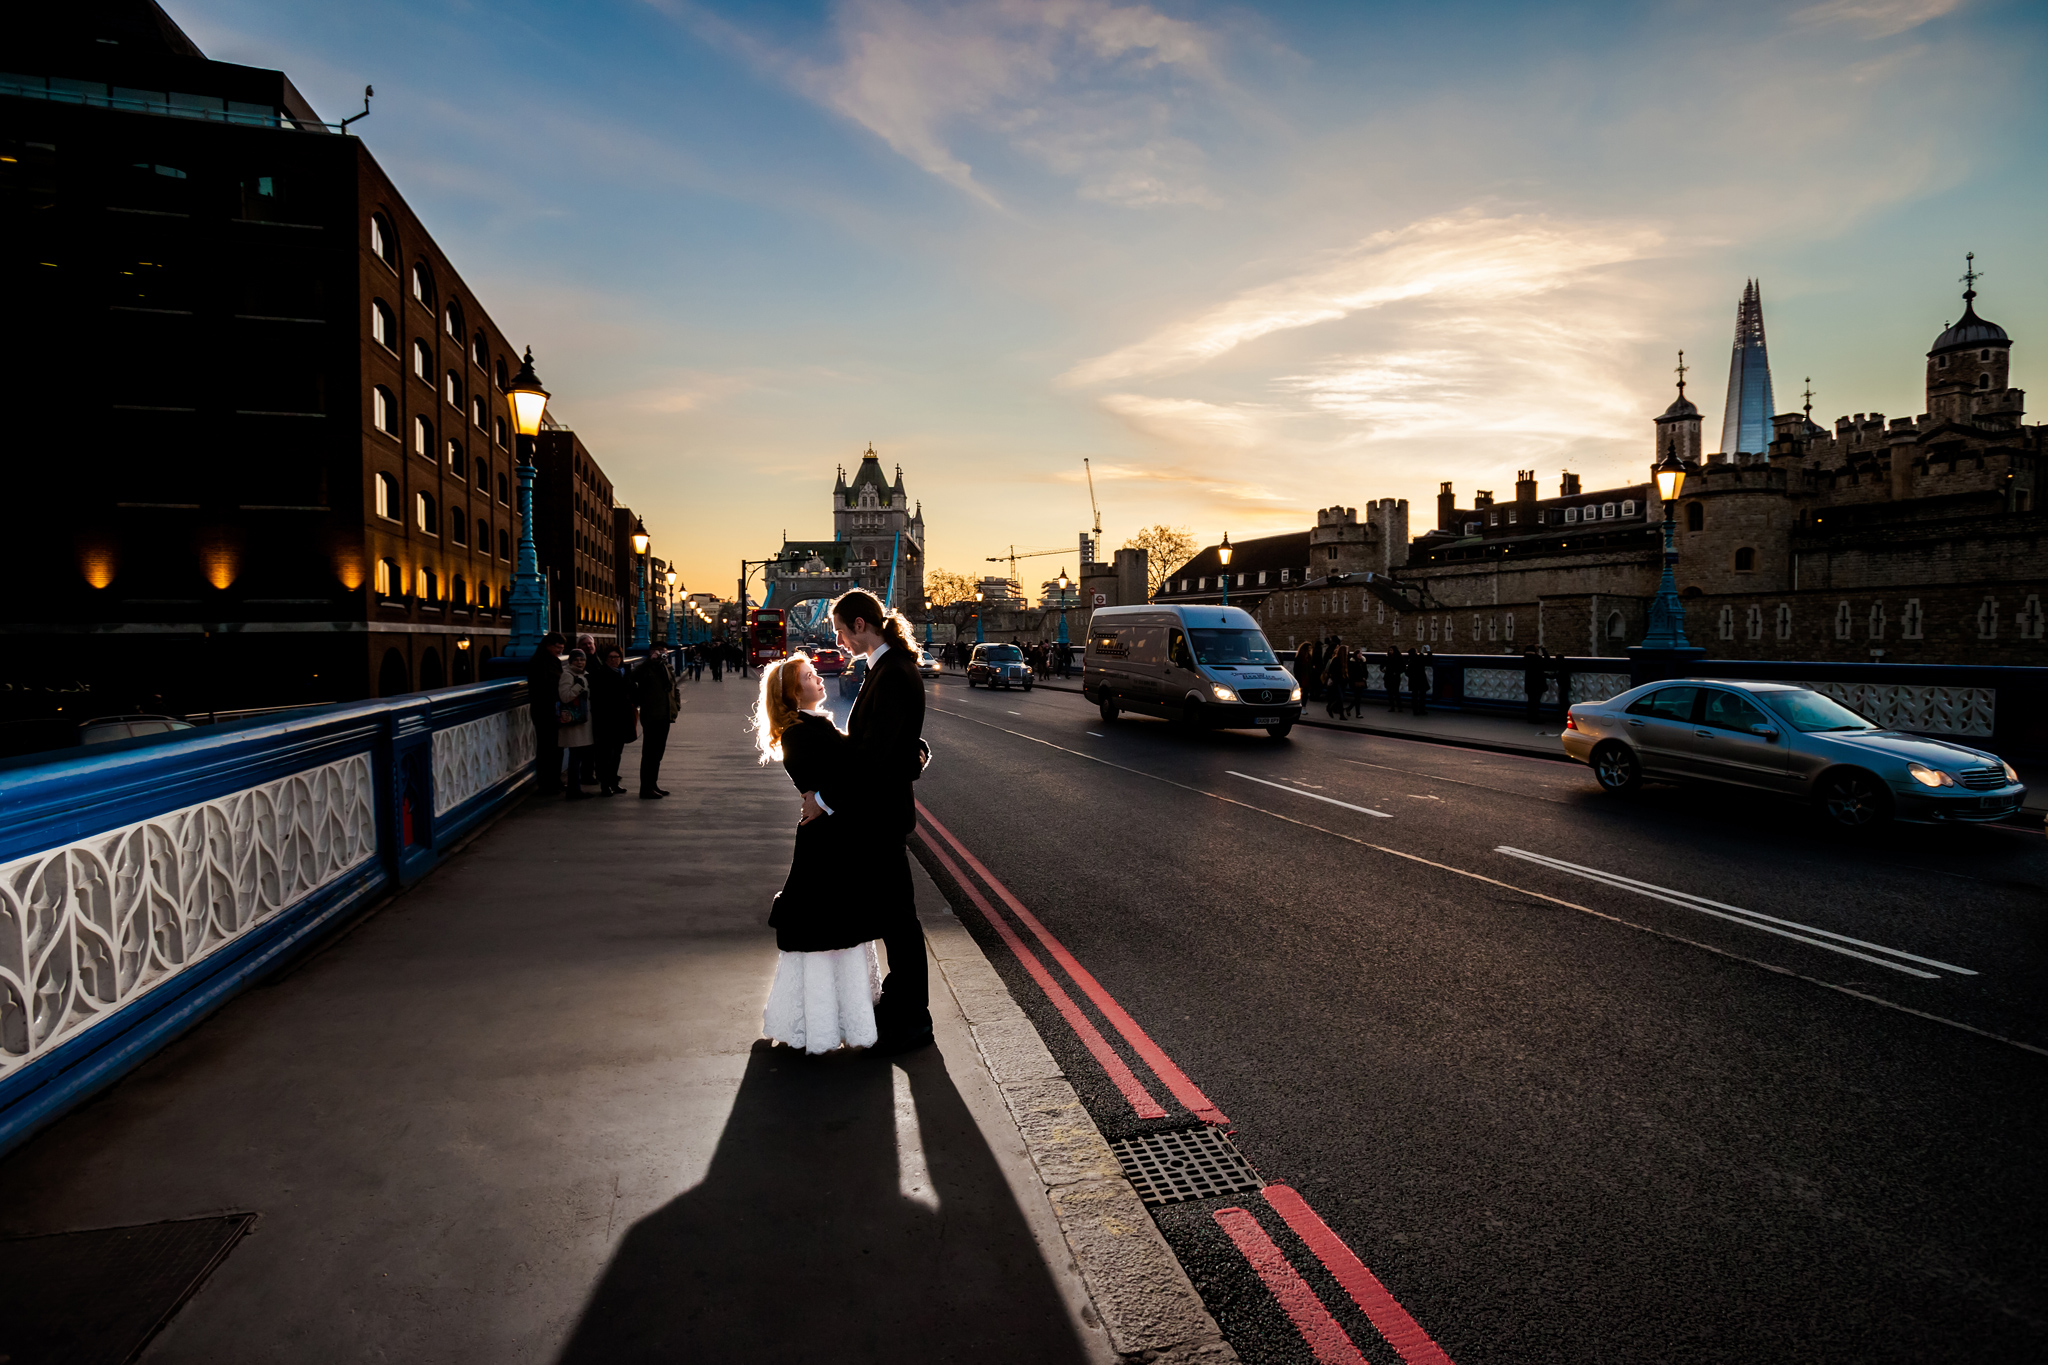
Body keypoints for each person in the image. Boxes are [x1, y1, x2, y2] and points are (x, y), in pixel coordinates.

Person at [802, 589, 930, 1054]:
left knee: (899, 921)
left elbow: (874, 754)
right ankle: (901, 1006)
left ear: (860, 624)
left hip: (880, 816)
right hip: (879, 812)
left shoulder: (892, 672)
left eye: (839, 629)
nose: (838, 639)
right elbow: (894, 743)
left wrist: (824, 799)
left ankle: (913, 1021)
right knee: (893, 917)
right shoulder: (885, 667)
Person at [752, 655, 885, 1054]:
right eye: (809, 676)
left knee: (836, 929)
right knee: (828, 931)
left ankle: (836, 1020)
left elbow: (854, 762)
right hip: (825, 845)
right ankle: (822, 1025)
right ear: (793, 693)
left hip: (832, 838)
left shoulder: (815, 725)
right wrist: (825, 798)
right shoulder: (798, 733)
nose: (818, 678)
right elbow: (850, 772)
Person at [589, 645, 636, 796]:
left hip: (622, 720)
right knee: (605, 755)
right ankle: (605, 784)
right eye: (611, 658)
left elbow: (633, 692)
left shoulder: (624, 673)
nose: (614, 660)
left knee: (617, 754)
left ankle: (613, 782)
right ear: (606, 659)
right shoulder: (600, 674)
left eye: (617, 657)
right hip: (607, 721)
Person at [634, 642, 678, 799]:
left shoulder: (666, 667)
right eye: (658, 652)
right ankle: (645, 788)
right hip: (652, 715)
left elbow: (674, 687)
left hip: (665, 715)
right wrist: (649, 661)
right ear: (651, 652)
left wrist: (676, 706)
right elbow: (635, 677)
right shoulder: (646, 668)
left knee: (658, 754)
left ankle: (653, 785)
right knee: (649, 754)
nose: (661, 655)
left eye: (664, 652)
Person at [526, 632, 567, 794]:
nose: (560, 651)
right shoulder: (537, 662)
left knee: (557, 747)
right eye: (558, 647)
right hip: (544, 711)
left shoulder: (554, 661)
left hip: (554, 711)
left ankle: (554, 780)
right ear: (548, 645)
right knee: (546, 748)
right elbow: (543, 687)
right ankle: (546, 783)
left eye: (562, 648)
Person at [558, 648, 595, 800]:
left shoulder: (584, 675)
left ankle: (575, 788)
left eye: (582, 660)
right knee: (575, 757)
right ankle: (573, 790)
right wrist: (578, 687)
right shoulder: (567, 675)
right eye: (576, 659)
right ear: (571, 660)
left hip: (583, 721)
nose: (579, 662)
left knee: (578, 757)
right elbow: (564, 696)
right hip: (574, 722)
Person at [1323, 645, 1350, 720]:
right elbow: (1331, 671)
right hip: (1337, 682)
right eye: (1347, 651)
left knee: (1340, 698)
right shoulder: (1336, 660)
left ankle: (1340, 714)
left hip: (1343, 681)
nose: (1348, 652)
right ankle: (1330, 707)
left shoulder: (1346, 660)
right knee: (1340, 698)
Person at [1522, 646, 1547, 722]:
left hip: (1529, 683)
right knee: (1536, 702)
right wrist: (1543, 650)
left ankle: (1530, 717)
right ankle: (1535, 718)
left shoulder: (1525, 659)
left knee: (1531, 701)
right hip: (1537, 683)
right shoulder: (1537, 659)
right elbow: (1547, 661)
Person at [1406, 646, 1431, 717]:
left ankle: (1415, 710)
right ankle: (1422, 710)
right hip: (1421, 679)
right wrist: (1428, 651)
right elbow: (1428, 660)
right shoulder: (1419, 658)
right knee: (1422, 696)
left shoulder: (1410, 659)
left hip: (1413, 680)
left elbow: (1407, 672)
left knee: (1414, 696)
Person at [1296, 638, 1321, 704]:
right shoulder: (1299, 658)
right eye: (1309, 648)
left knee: (1306, 692)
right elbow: (1296, 669)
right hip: (1302, 676)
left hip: (1308, 677)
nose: (1310, 650)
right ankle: (1302, 705)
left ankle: (1303, 705)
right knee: (1302, 692)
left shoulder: (1310, 657)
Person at [1385, 646, 1406, 712]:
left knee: (1396, 692)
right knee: (1390, 692)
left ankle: (1399, 706)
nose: (1390, 652)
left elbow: (1403, 667)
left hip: (1395, 677)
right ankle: (1392, 706)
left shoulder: (1398, 658)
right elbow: (1382, 665)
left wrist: (1397, 672)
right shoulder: (1387, 658)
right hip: (1388, 676)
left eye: (1391, 650)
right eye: (1389, 650)